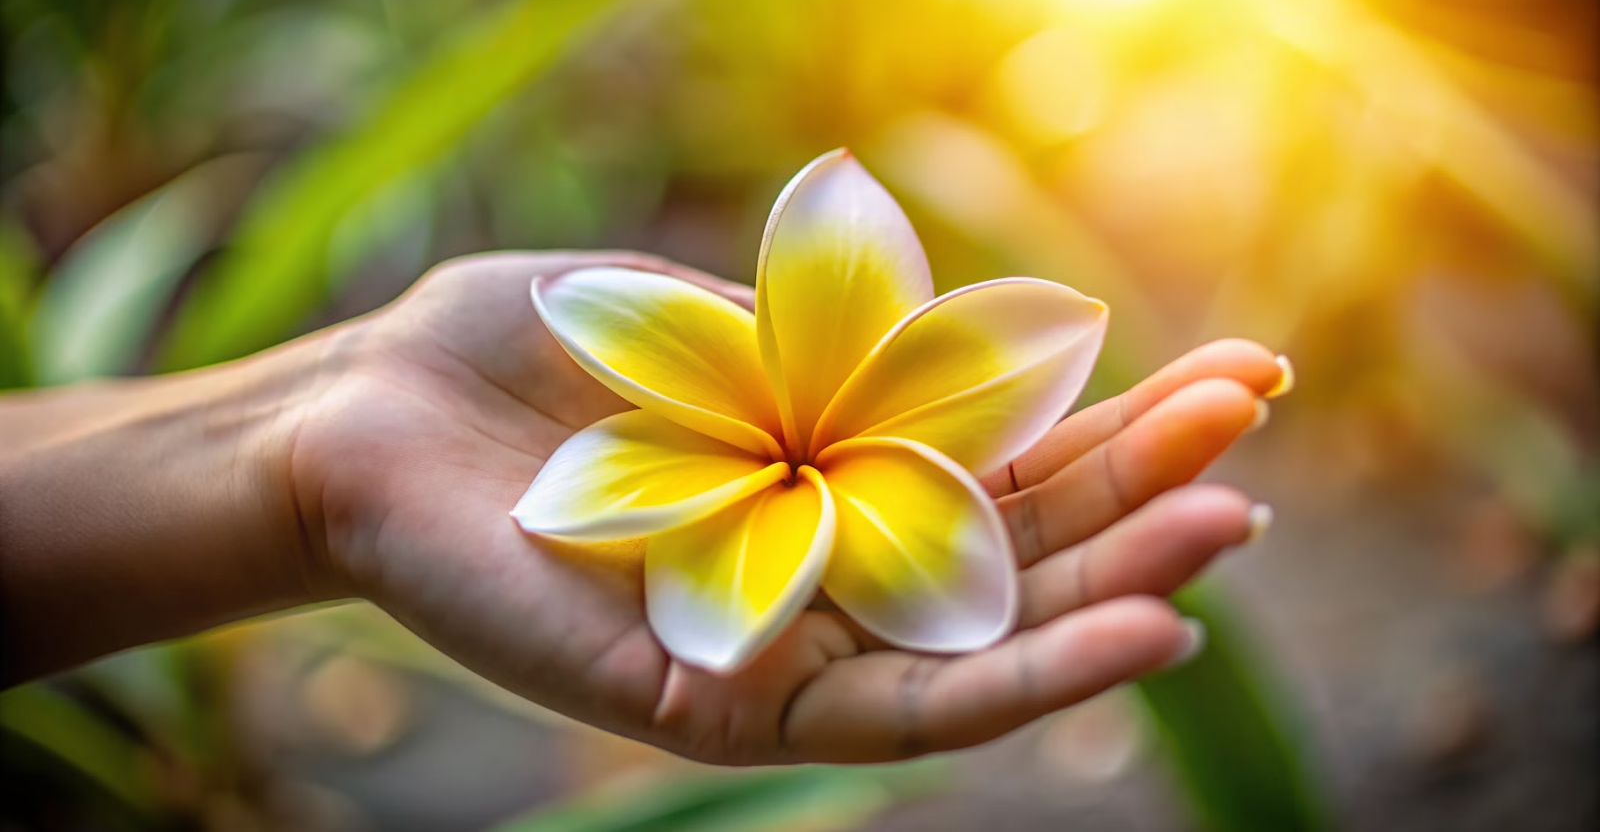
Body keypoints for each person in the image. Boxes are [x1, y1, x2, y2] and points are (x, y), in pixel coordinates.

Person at [0, 250, 1289, 765]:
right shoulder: (641, 399)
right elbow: (589, 373)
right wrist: (330, 430)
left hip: (829, 461)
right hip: (754, 475)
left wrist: (317, 433)